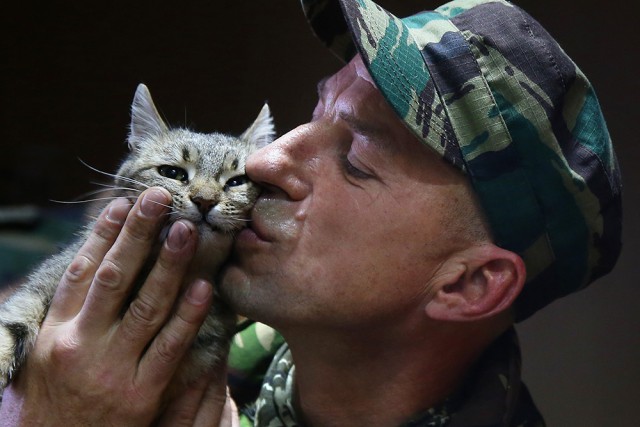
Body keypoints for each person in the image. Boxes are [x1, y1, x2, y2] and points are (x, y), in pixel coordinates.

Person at [0, 0, 622, 425]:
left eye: (354, 157)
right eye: (314, 115)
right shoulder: (176, 337)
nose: (267, 162)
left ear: (468, 282)